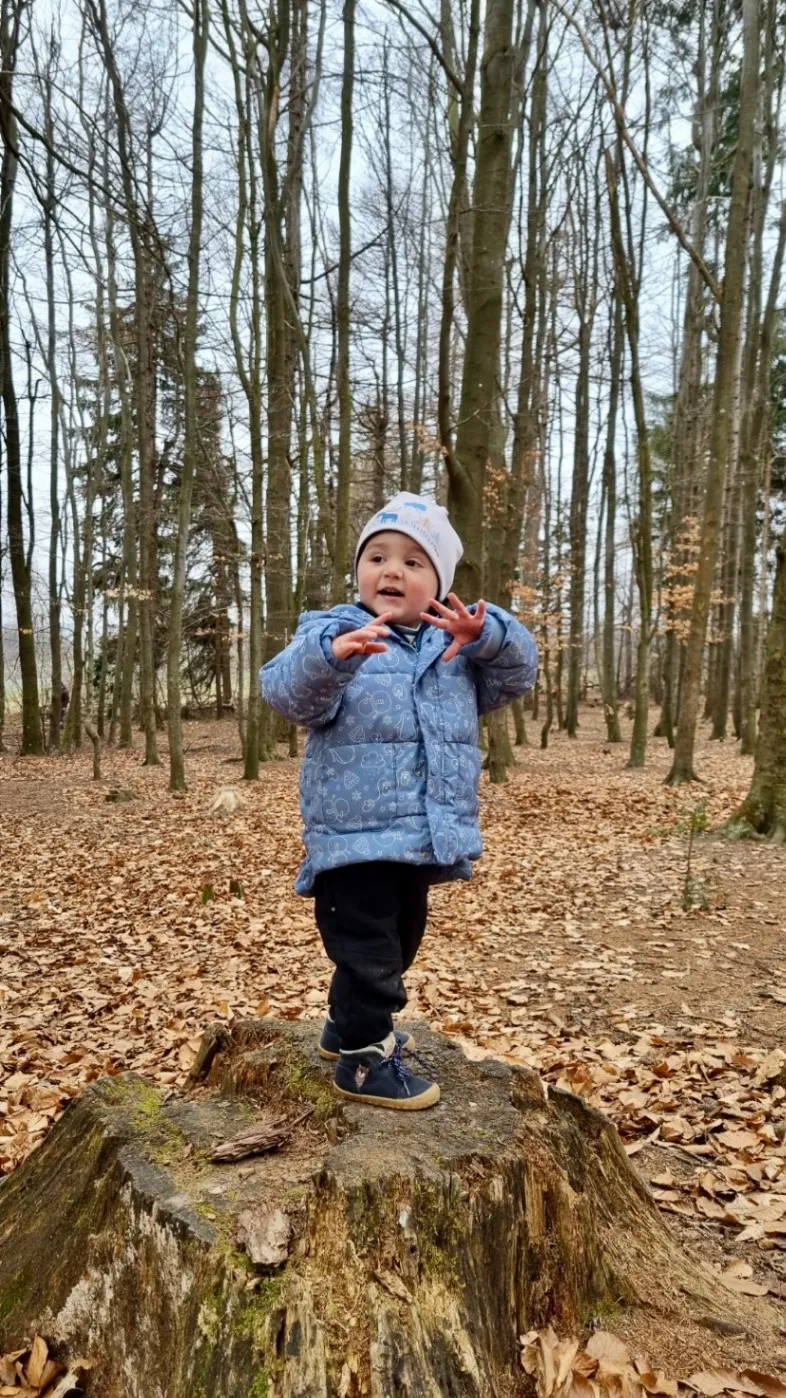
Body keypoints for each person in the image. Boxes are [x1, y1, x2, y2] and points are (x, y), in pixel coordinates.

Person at [261, 492, 538, 1110]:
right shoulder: (333, 632)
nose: (392, 571)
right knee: (369, 951)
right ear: (359, 570)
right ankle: (363, 1060)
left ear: (439, 583)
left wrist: (487, 635)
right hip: (352, 835)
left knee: (401, 939)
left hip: (419, 833)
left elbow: (519, 674)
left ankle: (344, 1026)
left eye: (414, 562)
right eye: (378, 557)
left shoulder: (454, 650)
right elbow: (283, 693)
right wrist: (329, 660)